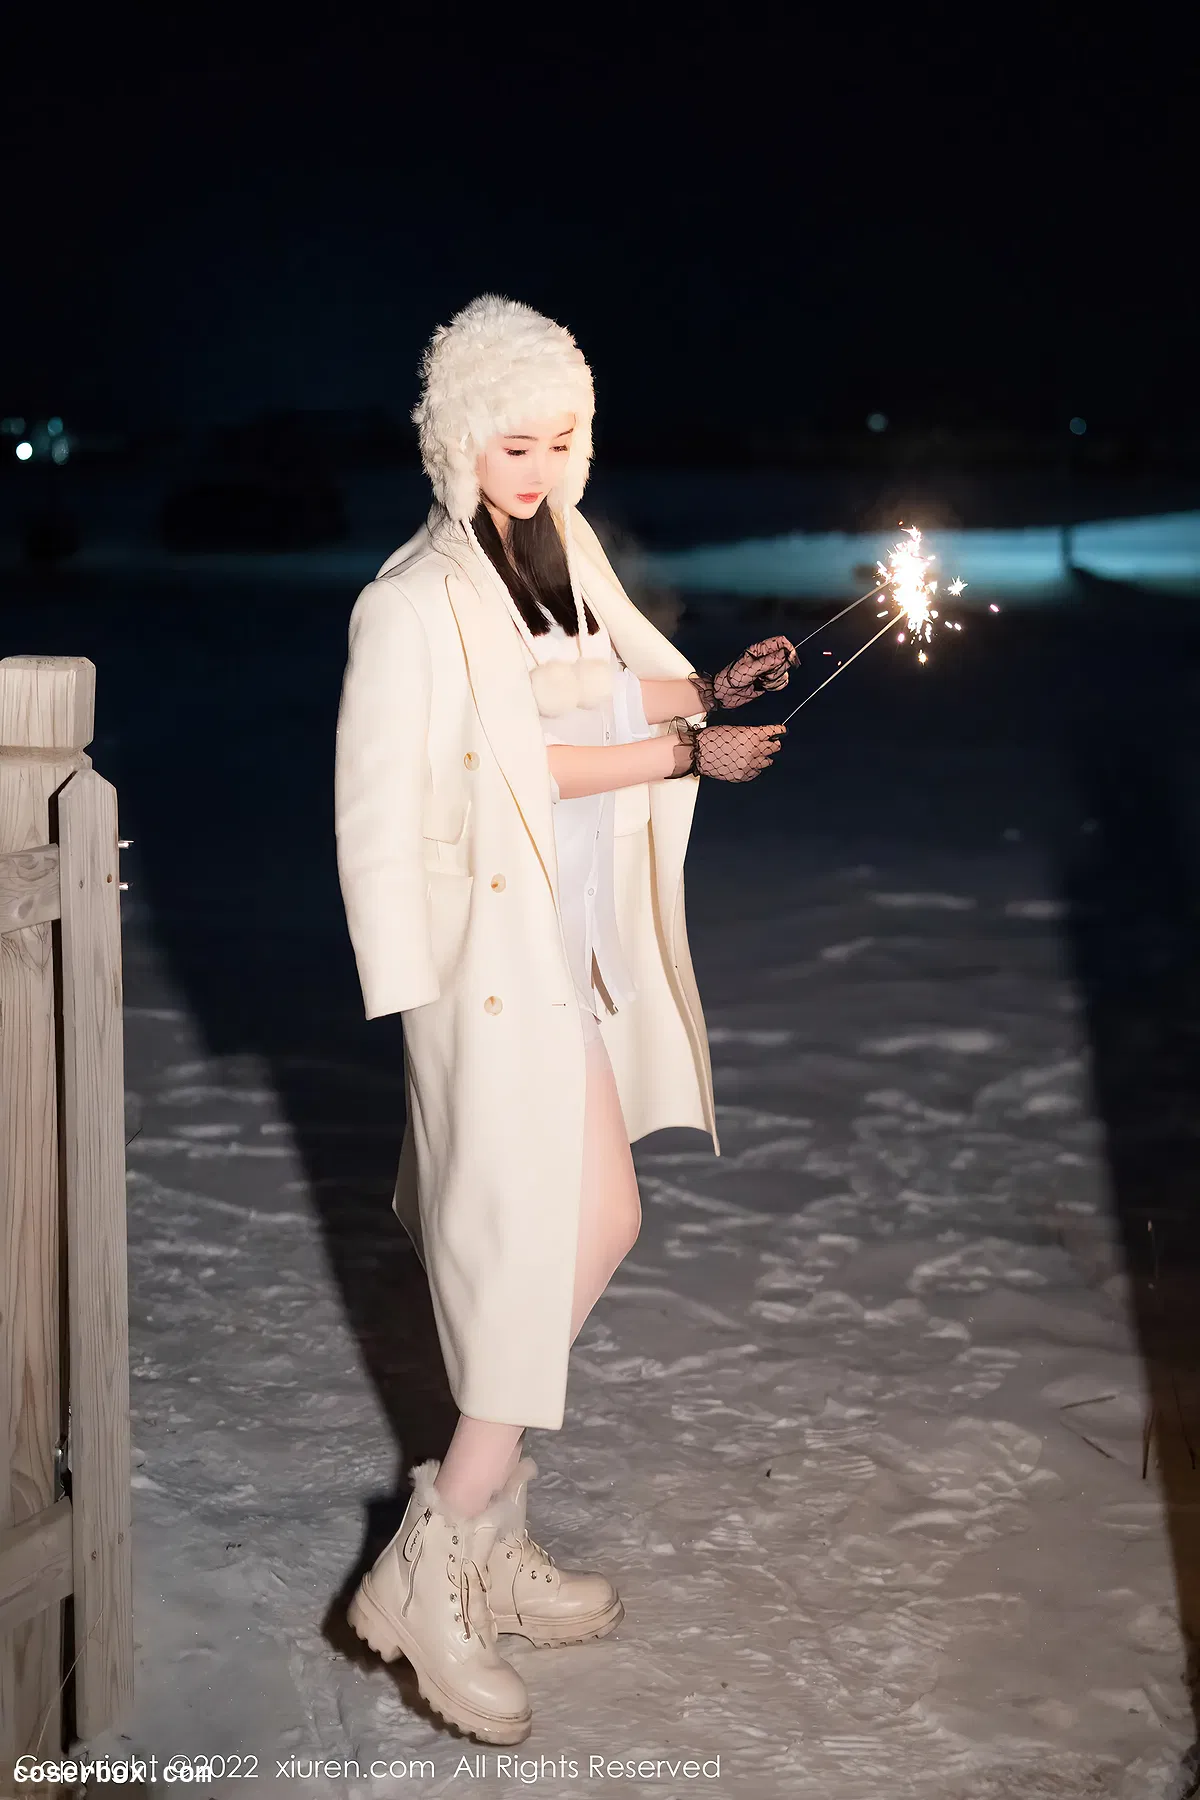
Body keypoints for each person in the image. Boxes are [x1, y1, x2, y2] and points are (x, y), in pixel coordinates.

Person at [333, 294, 794, 1744]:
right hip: (487, 968)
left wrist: (702, 690)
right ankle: (443, 1559)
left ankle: (473, 1533)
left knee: (600, 1221)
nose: (533, 469)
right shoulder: (411, 599)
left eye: (556, 441)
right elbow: (478, 771)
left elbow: (598, 692)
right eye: (510, 443)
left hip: (570, 946)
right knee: (535, 1239)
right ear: (458, 438)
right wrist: (683, 752)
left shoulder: (559, 554)